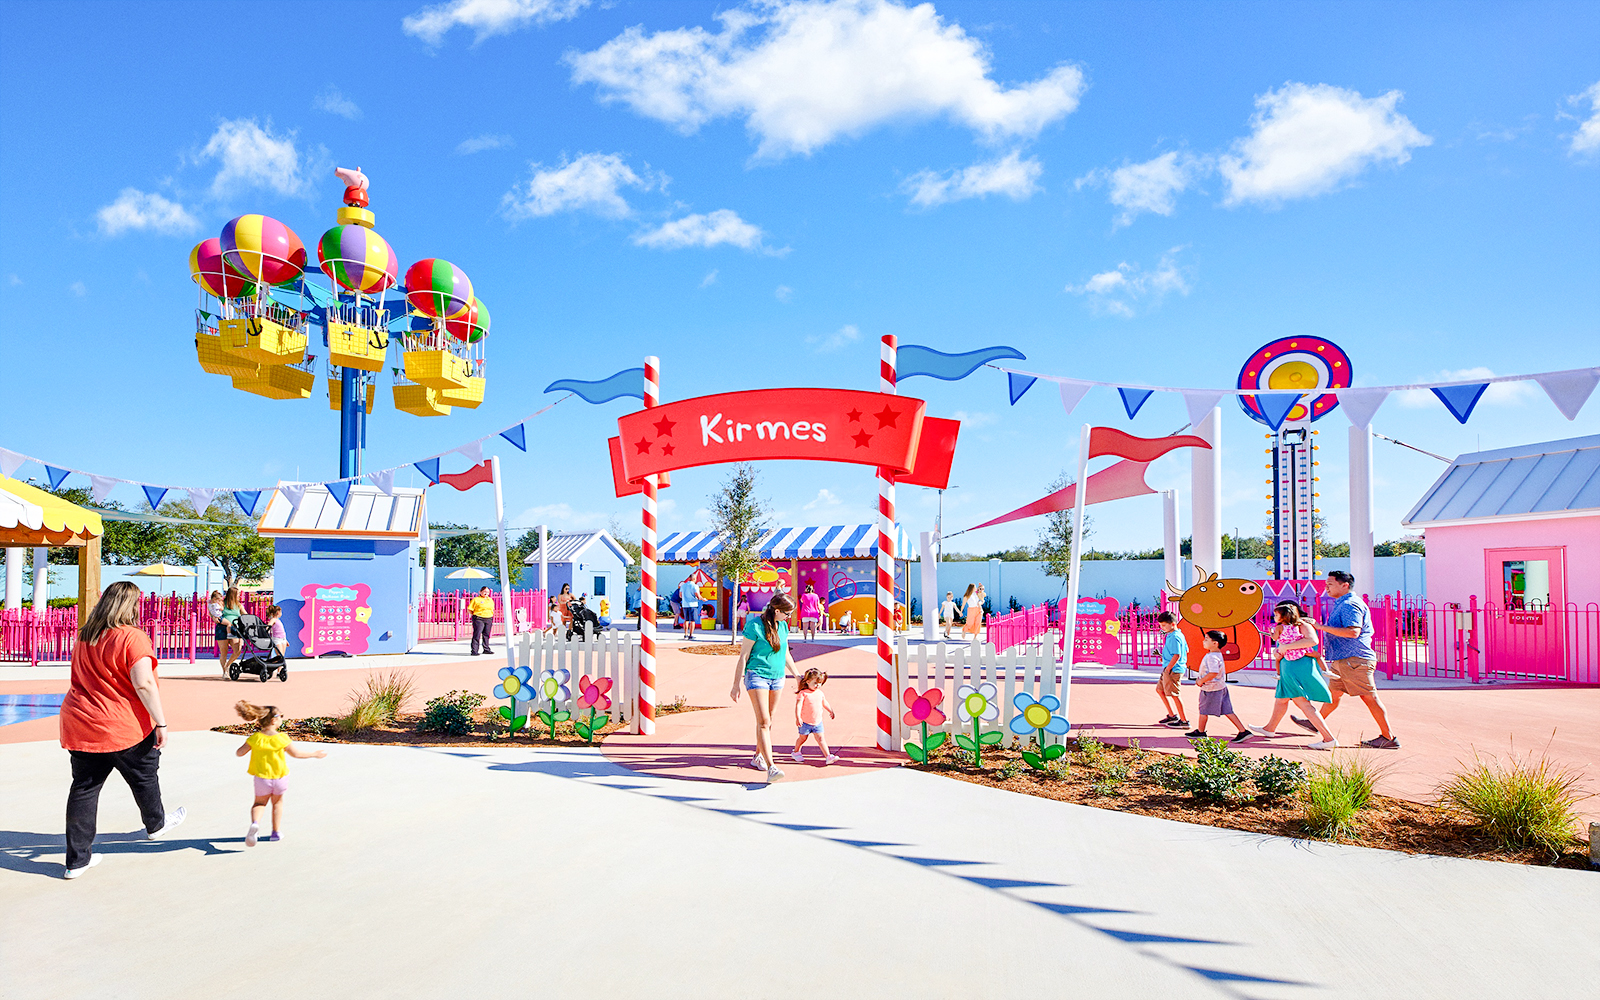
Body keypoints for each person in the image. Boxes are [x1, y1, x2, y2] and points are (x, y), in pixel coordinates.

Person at [57, 581, 186, 878]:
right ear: (132, 605)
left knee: (84, 789)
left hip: (81, 721)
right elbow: (144, 683)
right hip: (120, 723)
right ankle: (156, 825)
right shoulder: (133, 637)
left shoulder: (84, 637)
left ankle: (76, 861)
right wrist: (161, 722)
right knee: (144, 775)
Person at [1300, 570, 1399, 749]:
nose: (1326, 588)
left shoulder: (1349, 605)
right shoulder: (1343, 603)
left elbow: (1353, 632)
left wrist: (1320, 627)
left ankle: (1388, 737)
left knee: (1369, 697)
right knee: (1333, 695)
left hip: (1354, 659)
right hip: (1344, 659)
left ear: (1344, 585)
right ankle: (1315, 722)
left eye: (1330, 584)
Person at [233, 701, 327, 845]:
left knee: (259, 803)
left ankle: (255, 824)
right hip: (280, 778)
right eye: (281, 716)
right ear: (274, 720)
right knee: (277, 803)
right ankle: (275, 832)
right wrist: (314, 754)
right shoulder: (282, 738)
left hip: (262, 779)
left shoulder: (256, 738)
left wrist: (249, 748)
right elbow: (296, 754)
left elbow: (239, 753)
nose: (282, 719)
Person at [1248, 601, 1338, 749]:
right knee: (1281, 699)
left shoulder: (1302, 625)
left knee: (1302, 703)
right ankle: (1269, 729)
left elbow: (1312, 640)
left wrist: (1285, 647)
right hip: (1288, 664)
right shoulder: (1289, 627)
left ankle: (1328, 738)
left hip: (1294, 666)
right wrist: (1279, 652)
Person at [729, 592, 798, 783]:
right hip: (757, 675)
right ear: (777, 610)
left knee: (768, 720)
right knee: (764, 722)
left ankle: (757, 756)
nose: (788, 616)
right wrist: (736, 684)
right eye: (787, 612)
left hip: (777, 678)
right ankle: (772, 767)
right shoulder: (754, 625)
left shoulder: (782, 626)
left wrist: (797, 675)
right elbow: (743, 656)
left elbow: (785, 654)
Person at [1188, 630, 1251, 742]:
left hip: (1210, 688)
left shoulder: (1211, 657)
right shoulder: (1217, 655)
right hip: (1221, 687)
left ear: (1215, 643)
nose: (1204, 641)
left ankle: (1201, 732)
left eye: (1206, 639)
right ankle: (1243, 731)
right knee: (1227, 710)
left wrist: (1200, 681)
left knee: (1203, 710)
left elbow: (1213, 673)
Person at [789, 667, 839, 765]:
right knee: (802, 738)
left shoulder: (819, 693)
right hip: (805, 722)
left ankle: (828, 756)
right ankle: (796, 751)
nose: (818, 685)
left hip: (817, 722)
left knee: (821, 738)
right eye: (815, 683)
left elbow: (824, 702)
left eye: (819, 683)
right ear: (807, 681)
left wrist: (830, 710)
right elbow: (798, 706)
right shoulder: (803, 693)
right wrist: (798, 717)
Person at [1154, 611, 1190, 728]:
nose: (1162, 628)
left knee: (1175, 694)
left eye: (1164, 625)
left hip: (1173, 669)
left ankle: (1184, 721)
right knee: (1160, 690)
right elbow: (1185, 651)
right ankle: (1172, 715)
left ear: (1173, 624)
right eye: (1161, 625)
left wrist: (1169, 667)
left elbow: (1177, 654)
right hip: (1169, 668)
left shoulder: (1175, 637)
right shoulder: (1175, 635)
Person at [219, 587, 245, 673]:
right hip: (222, 628)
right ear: (233, 595)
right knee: (224, 652)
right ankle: (224, 672)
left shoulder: (239, 605)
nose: (239, 596)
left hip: (234, 629)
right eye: (237, 595)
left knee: (237, 650)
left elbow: (245, 614)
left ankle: (228, 665)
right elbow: (214, 610)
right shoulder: (222, 603)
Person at [468, 585, 495, 656]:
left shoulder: (490, 600)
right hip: (479, 618)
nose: (486, 593)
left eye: (487, 592)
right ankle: (474, 650)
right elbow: (470, 609)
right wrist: (474, 616)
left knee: (486, 634)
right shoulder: (476, 599)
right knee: (477, 634)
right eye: (484, 592)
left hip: (488, 618)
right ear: (480, 592)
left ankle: (486, 649)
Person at [207, 590, 227, 674]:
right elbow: (220, 609)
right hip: (221, 622)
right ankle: (225, 669)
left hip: (218, 620)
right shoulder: (217, 605)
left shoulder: (210, 604)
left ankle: (226, 668)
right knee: (223, 651)